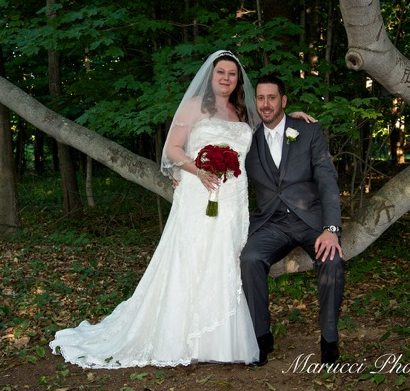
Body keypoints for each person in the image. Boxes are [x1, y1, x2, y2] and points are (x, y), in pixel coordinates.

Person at [49, 50, 312, 368]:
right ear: (211, 76)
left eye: (232, 74)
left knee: (226, 258)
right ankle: (184, 335)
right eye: (221, 72)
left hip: (233, 200)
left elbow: (267, 131)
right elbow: (172, 148)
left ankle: (221, 338)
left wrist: (290, 116)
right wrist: (197, 170)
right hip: (199, 192)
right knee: (192, 257)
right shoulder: (194, 106)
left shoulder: (243, 112)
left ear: (238, 80)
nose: (226, 78)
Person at [241, 75, 345, 367]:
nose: (266, 104)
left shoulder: (308, 130)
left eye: (272, 98)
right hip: (272, 223)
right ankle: (261, 338)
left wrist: (331, 228)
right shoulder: (247, 139)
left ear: (284, 101)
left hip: (310, 220)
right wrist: (184, 174)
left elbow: (327, 179)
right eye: (261, 98)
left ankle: (329, 341)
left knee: (332, 260)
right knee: (249, 259)